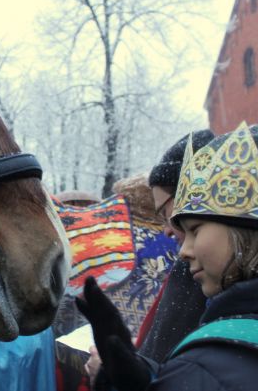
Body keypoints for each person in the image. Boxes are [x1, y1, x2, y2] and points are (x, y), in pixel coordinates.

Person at [78, 122, 258, 391]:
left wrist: (114, 381)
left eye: (195, 229)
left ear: (257, 226)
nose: (183, 250)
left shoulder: (207, 367)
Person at [83, 129, 214, 386]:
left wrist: (118, 371)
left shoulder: (201, 272)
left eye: (166, 214)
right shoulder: (195, 267)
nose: (165, 229)